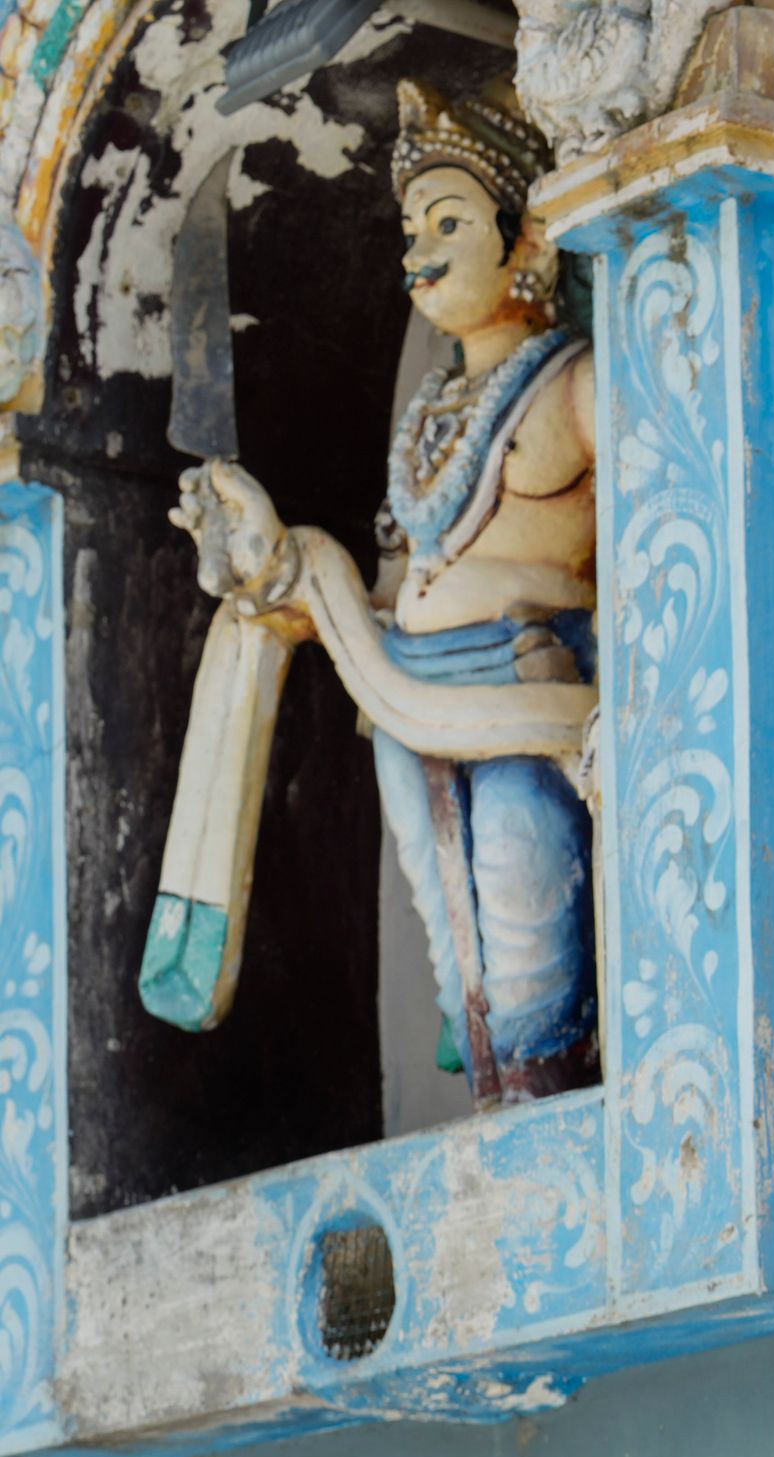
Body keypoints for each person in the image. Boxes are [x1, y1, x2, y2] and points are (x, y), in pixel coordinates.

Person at [158, 82, 599, 1102]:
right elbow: (392, 589)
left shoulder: (578, 387)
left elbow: (656, 541)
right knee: (458, 950)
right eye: (411, 229)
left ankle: (544, 1116)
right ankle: (502, 1117)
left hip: (526, 697)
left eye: (448, 222)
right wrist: (270, 563)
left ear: (528, 237)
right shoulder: (427, 415)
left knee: (530, 923)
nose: (420, 252)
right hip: (406, 696)